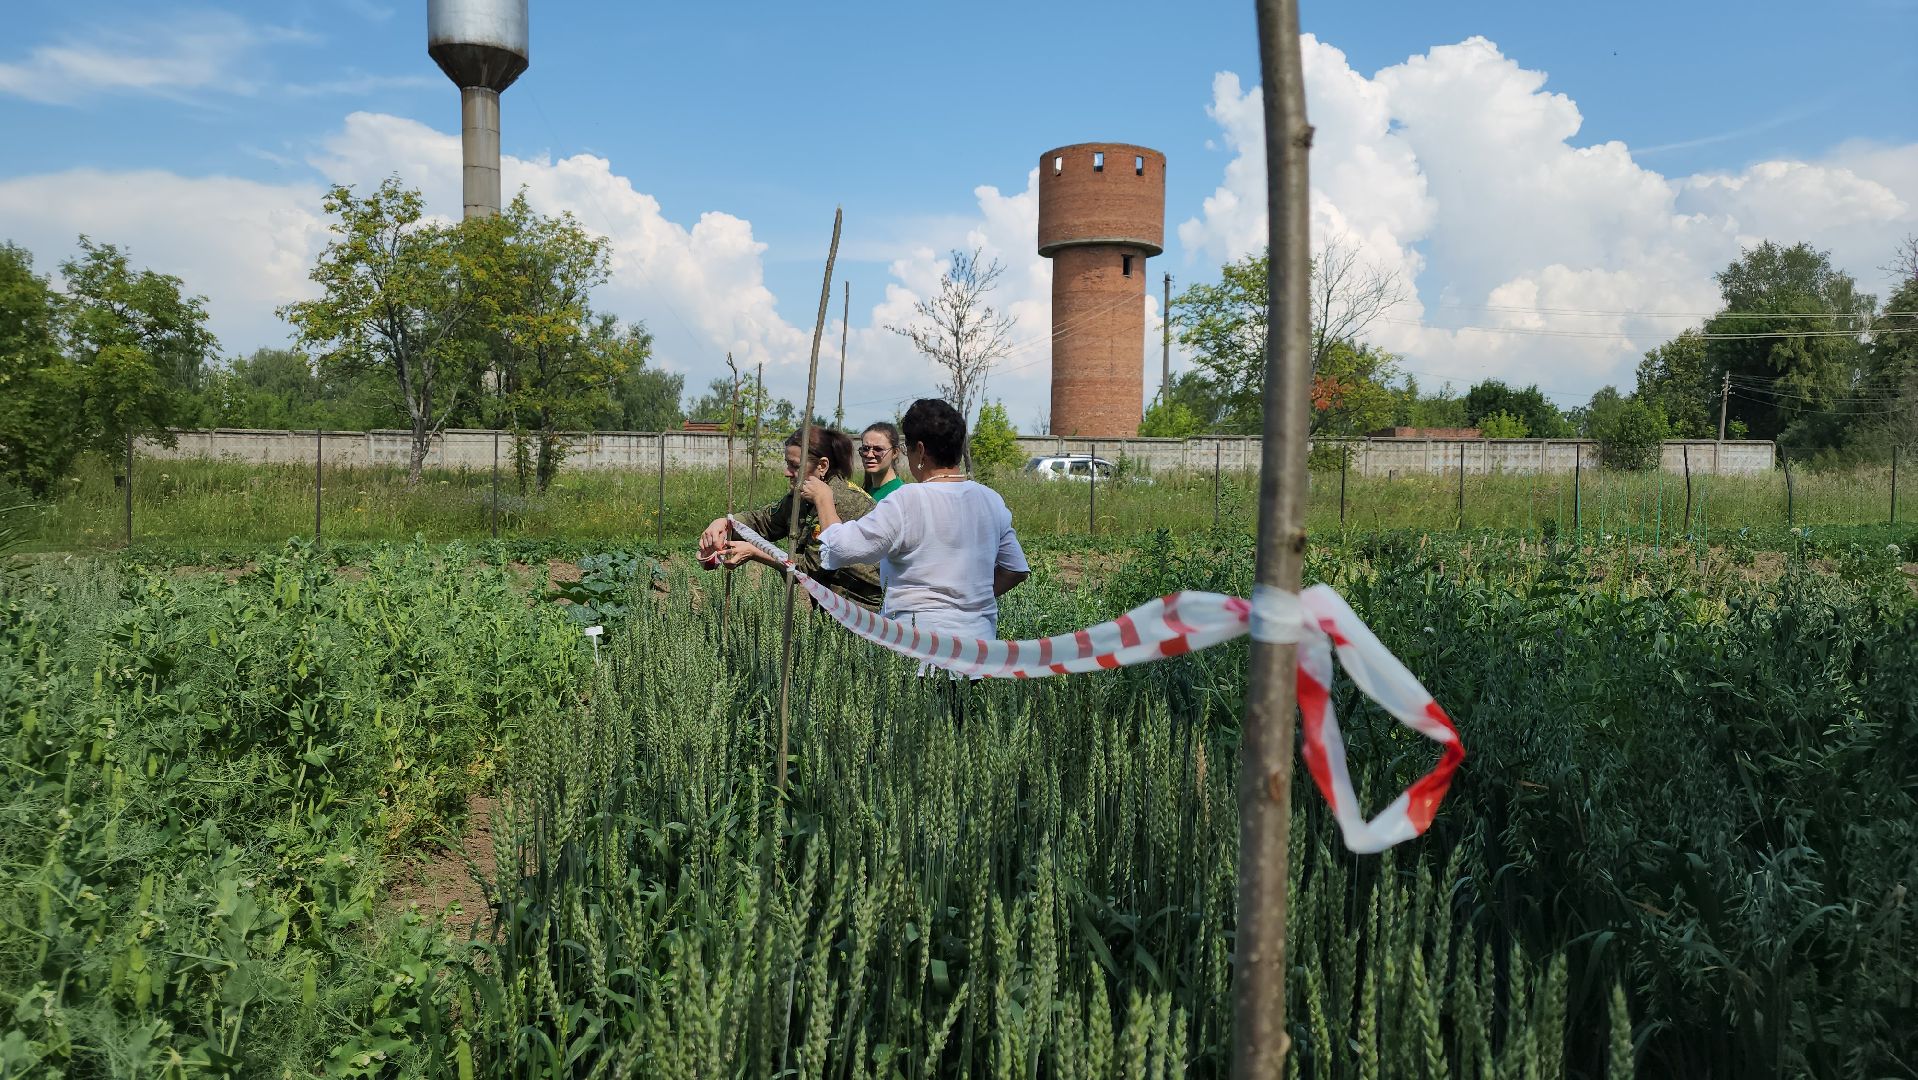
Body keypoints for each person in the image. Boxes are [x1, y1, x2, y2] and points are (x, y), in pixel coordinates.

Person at [805, 398, 1028, 650]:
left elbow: (842, 548)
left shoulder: (908, 499)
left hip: (919, 649)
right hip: (977, 651)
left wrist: (824, 499)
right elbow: (1015, 570)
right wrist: (969, 600)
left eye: (908, 448)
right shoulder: (990, 499)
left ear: (920, 450)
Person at [698, 428, 884, 611]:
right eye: (787, 464)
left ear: (822, 465)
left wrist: (755, 553)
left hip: (862, 609)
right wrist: (725, 522)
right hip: (833, 605)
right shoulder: (803, 494)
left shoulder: (839, 501)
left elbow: (810, 569)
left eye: (795, 466)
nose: (787, 472)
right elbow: (765, 521)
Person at [858, 421, 906, 501]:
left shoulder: (899, 494)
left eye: (878, 449)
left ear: (895, 452)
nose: (870, 455)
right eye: (865, 449)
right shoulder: (865, 492)